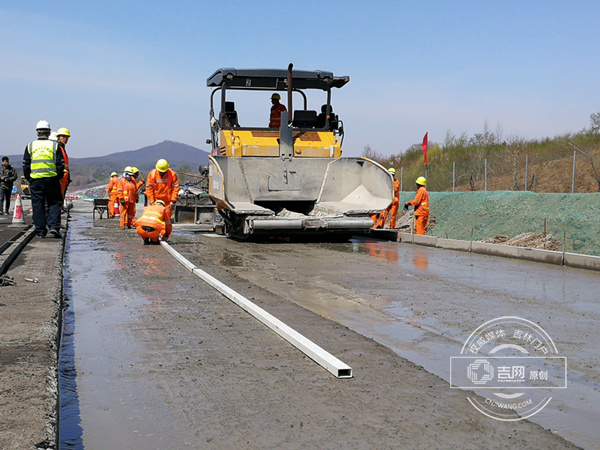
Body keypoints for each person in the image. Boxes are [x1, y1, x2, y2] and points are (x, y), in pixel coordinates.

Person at [22, 120, 64, 238]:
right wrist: (58, 177)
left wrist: (30, 178)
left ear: (37, 133)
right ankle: (54, 227)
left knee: (38, 205)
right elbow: (60, 164)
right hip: (52, 179)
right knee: (54, 203)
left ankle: (40, 230)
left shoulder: (30, 146)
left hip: (36, 180)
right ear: (49, 132)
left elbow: (26, 165)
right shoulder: (55, 145)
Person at [145, 159, 179, 241]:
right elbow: (149, 188)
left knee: (167, 221)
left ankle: (165, 235)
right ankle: (154, 236)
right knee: (154, 219)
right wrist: (151, 200)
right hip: (155, 201)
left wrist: (173, 201)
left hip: (167, 201)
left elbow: (175, 188)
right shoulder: (152, 174)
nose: (162, 173)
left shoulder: (172, 174)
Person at [56, 128, 71, 200]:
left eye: (66, 137)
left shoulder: (63, 149)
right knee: (58, 199)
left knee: (60, 199)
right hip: (60, 178)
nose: (65, 139)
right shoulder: (58, 148)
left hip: (64, 179)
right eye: (63, 137)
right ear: (58, 137)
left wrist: (68, 178)